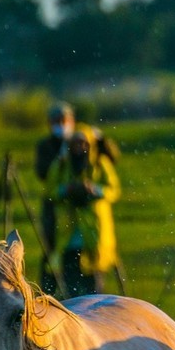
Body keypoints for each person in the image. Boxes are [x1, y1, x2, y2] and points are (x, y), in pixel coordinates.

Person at [34, 101, 120, 294]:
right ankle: (48, 294)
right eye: (57, 120)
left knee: (94, 272)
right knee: (55, 257)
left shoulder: (98, 161)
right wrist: (68, 189)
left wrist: (94, 189)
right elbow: (48, 183)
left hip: (93, 226)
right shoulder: (55, 155)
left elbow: (113, 184)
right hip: (66, 222)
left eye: (64, 120)